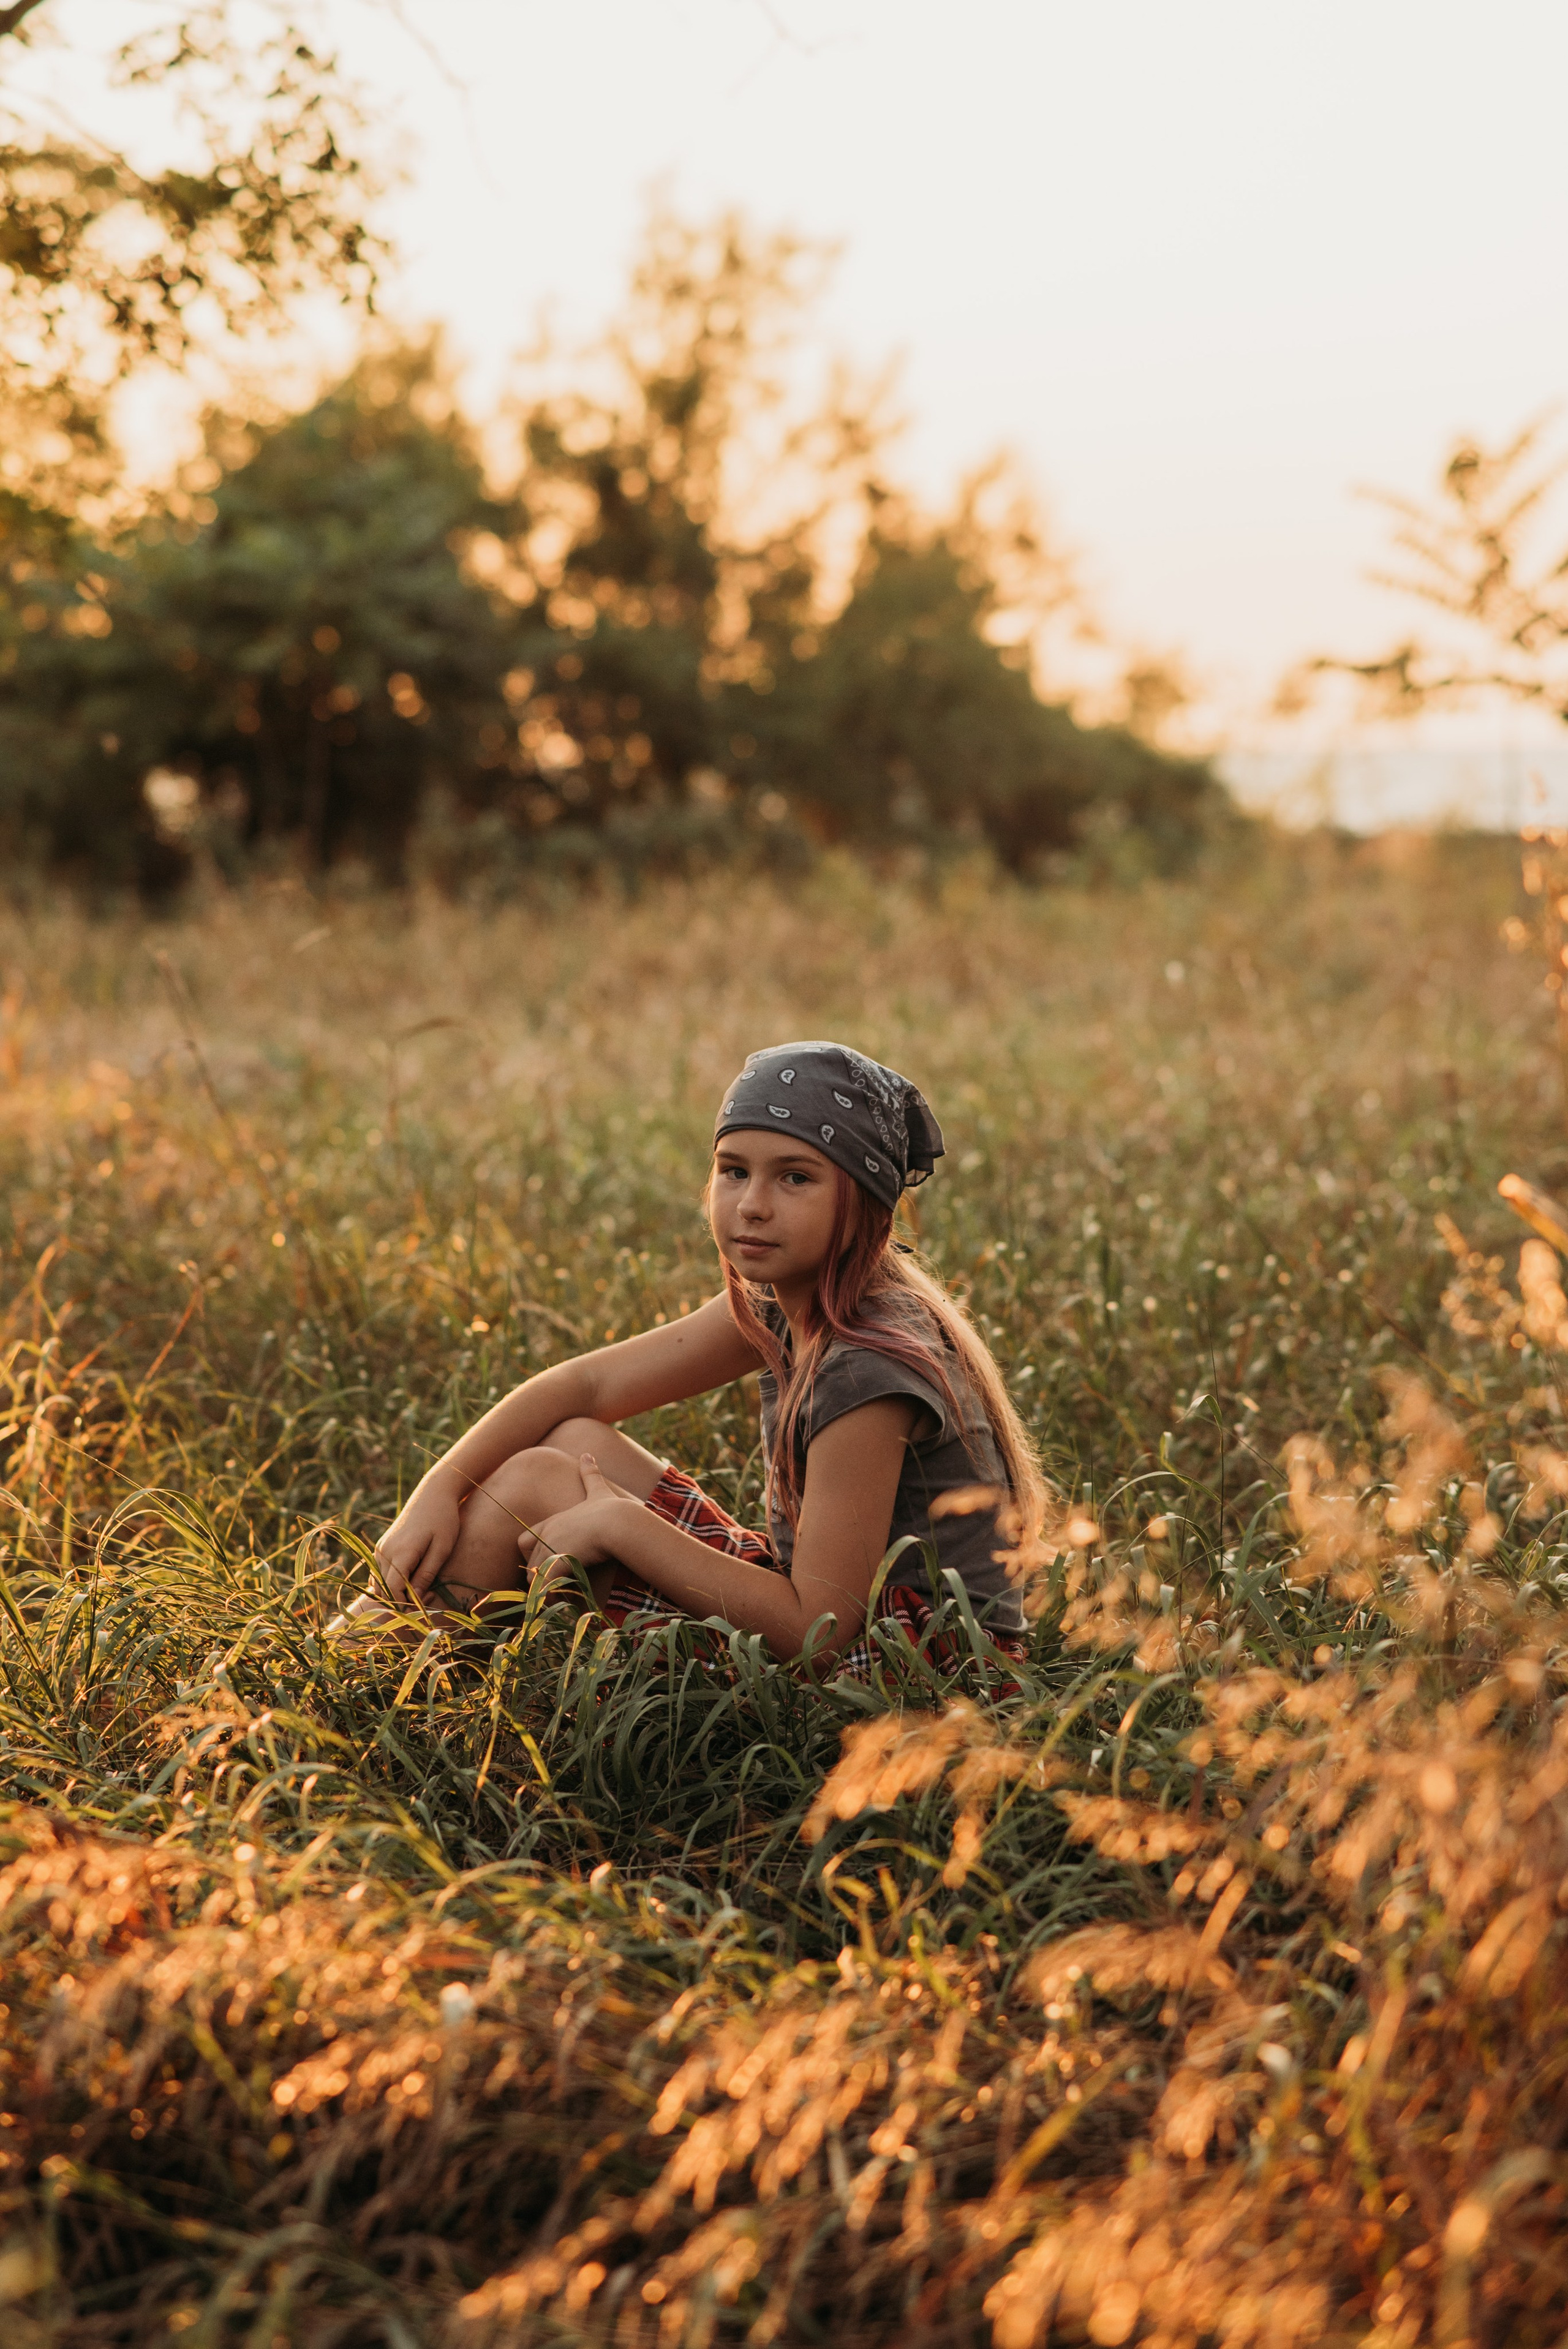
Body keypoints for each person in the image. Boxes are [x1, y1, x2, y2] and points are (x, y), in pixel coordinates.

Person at [345, 1041, 1046, 1668]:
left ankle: (364, 1676)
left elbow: (818, 1632)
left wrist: (620, 1525)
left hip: (911, 1670)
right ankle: (370, 1660)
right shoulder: (787, 1298)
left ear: (867, 1204)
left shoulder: (866, 1367)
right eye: (734, 1171)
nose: (752, 1205)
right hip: (844, 1616)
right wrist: (435, 1492)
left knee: (533, 1480)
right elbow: (585, 1386)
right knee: (572, 1439)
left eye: (795, 1178)